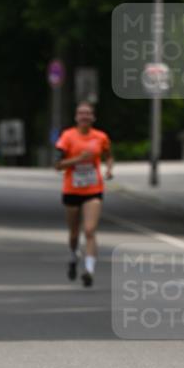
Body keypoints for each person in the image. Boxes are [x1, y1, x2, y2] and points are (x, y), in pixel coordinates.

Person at [55, 102, 113, 287]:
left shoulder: (101, 137)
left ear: (93, 117)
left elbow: (108, 155)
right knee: (74, 233)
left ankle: (89, 270)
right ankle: (73, 256)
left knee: (89, 230)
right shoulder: (67, 136)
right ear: (76, 117)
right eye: (81, 114)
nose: (84, 117)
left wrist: (109, 169)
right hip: (72, 189)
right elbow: (57, 165)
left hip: (93, 189)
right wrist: (78, 159)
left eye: (88, 114)